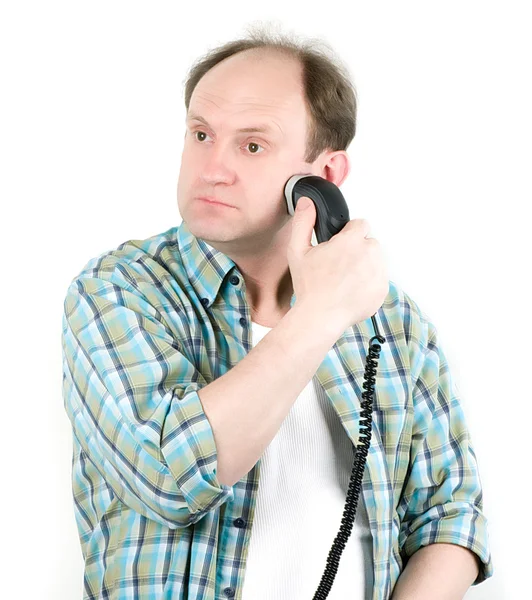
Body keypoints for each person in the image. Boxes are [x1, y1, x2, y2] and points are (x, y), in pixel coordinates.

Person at [61, 25, 493, 600]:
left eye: (252, 145)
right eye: (201, 134)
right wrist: (318, 316)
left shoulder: (397, 323)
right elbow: (167, 475)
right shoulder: (117, 290)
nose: (212, 167)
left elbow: (450, 514)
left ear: (325, 178)